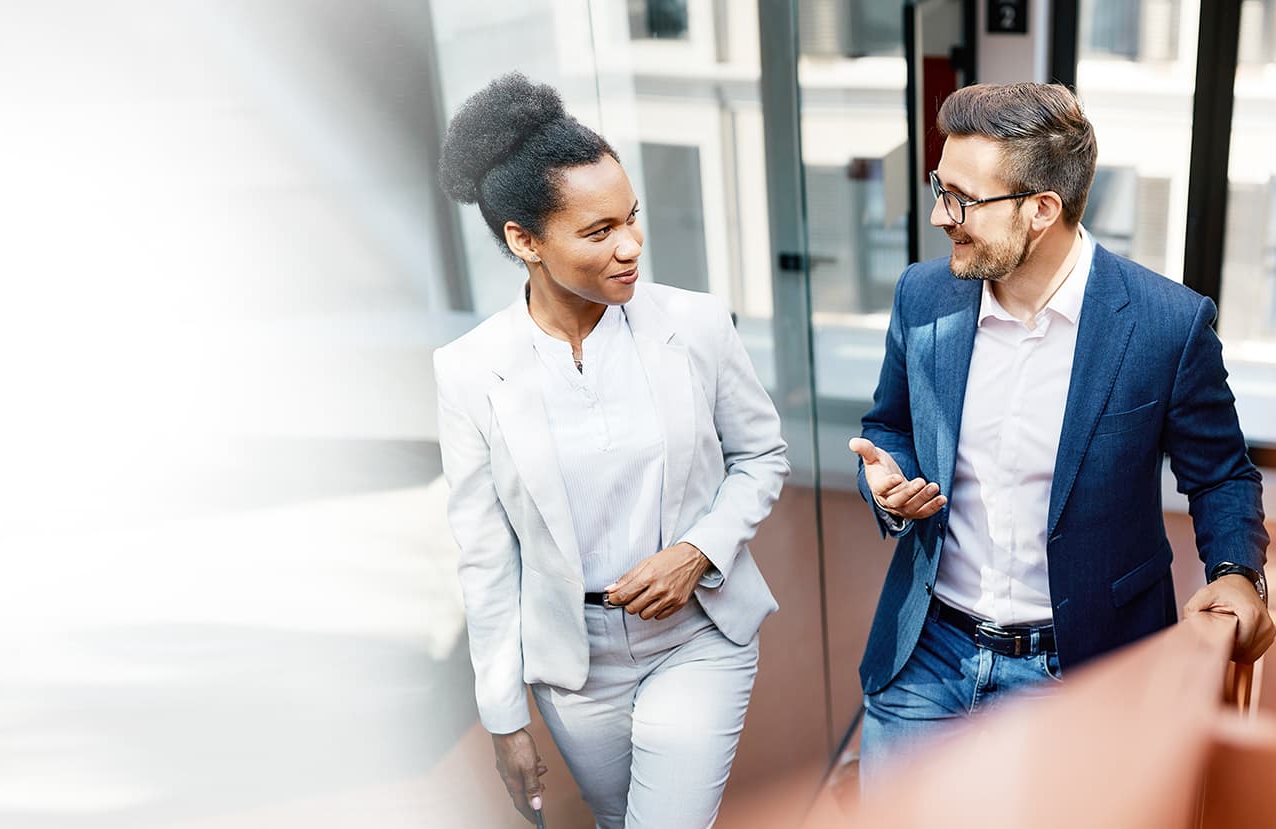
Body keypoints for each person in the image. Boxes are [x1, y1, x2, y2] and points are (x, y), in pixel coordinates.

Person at [852, 82, 1272, 784]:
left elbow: (1222, 476)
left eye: (960, 197)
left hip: (1084, 666)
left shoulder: (1167, 325)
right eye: (938, 186)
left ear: (1042, 209)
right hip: (926, 653)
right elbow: (888, 422)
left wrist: (1236, 573)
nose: (938, 214)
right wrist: (887, 478)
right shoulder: (921, 296)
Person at [433, 73, 788, 828]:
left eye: (631, 218)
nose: (630, 246)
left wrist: (696, 548)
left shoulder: (693, 325)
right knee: (617, 817)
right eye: (598, 232)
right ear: (524, 241)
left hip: (698, 635)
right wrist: (504, 715)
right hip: (576, 666)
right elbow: (486, 554)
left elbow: (762, 456)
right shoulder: (469, 370)